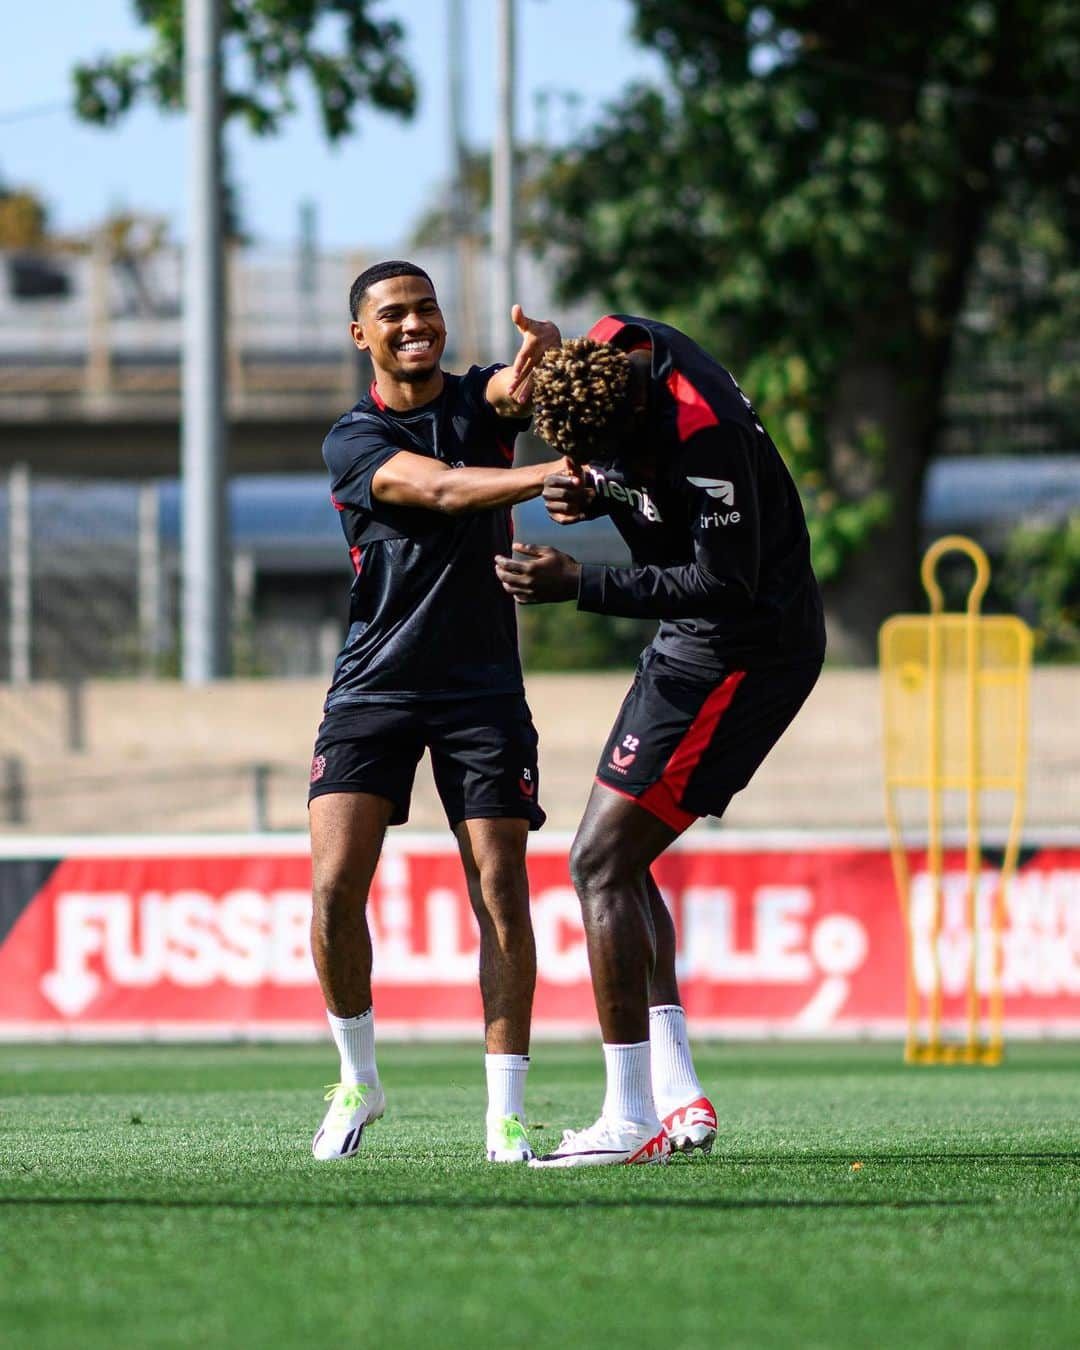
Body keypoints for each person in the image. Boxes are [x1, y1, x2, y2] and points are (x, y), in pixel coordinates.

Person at [495, 316, 826, 1167]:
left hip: (747, 650)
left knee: (598, 862)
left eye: (614, 456)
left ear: (640, 414)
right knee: (617, 860)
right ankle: (676, 1097)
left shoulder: (700, 431)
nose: (611, 467)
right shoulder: (610, 353)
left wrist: (580, 582)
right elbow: (618, 471)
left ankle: (630, 1116)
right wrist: (589, 491)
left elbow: (725, 580)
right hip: (692, 643)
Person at [309, 259, 569, 1165]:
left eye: (425, 308)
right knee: (337, 887)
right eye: (394, 314)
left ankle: (504, 1115)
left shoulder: (477, 401)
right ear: (361, 336)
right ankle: (358, 1077)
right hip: (372, 685)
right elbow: (448, 490)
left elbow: (513, 389)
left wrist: (546, 360)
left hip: (482, 691)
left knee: (499, 892)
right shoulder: (354, 440)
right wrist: (553, 474)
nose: (415, 323)